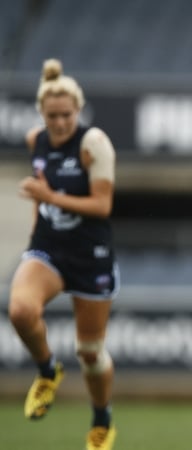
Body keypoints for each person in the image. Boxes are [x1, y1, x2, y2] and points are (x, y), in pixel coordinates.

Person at [7, 58, 119, 450]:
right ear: (42, 113)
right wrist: (42, 216)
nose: (59, 123)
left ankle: (102, 417)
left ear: (78, 110)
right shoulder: (35, 140)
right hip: (50, 249)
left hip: (91, 255)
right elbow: (41, 186)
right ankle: (46, 370)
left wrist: (49, 197)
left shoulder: (94, 145)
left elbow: (102, 205)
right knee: (20, 310)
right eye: (52, 116)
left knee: (89, 353)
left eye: (66, 115)